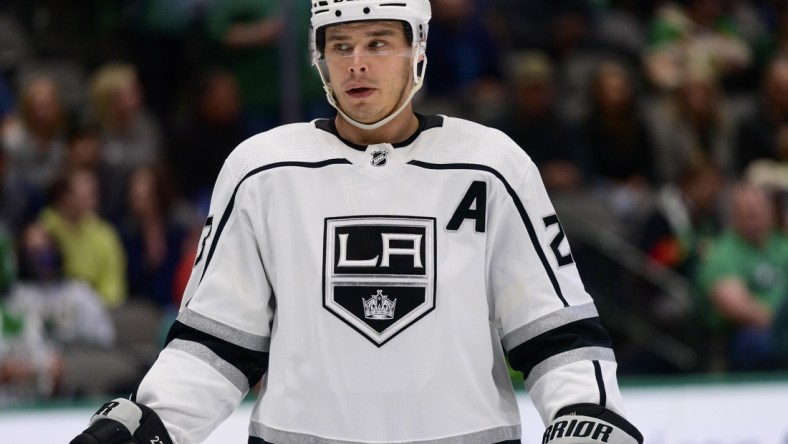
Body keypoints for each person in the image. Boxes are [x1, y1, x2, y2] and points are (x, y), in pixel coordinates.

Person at [71, 2, 642, 443]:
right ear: (318, 57)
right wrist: (150, 422)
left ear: (417, 49)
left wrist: (585, 414)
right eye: (339, 45)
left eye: (377, 43)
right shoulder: (261, 171)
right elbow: (215, 346)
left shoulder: (493, 165)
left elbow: (556, 332)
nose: (357, 63)